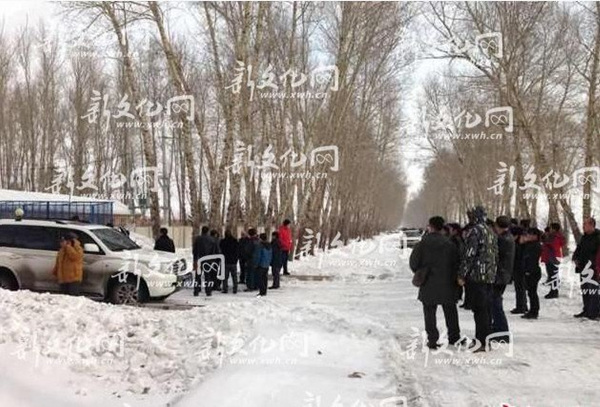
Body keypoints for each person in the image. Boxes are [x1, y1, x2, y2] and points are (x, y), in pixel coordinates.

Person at [410, 216, 461, 349]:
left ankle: (432, 339)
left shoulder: (422, 244)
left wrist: (421, 272)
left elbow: (413, 263)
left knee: (429, 312)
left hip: (428, 282)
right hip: (448, 282)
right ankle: (454, 337)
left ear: (430, 226)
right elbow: (457, 262)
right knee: (450, 311)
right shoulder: (450, 244)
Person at [458, 206, 498, 352]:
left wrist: (462, 274)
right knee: (486, 310)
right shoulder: (490, 231)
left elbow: (470, 254)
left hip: (476, 276)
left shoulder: (475, 231)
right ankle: (486, 340)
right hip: (489, 276)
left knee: (479, 310)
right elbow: (495, 254)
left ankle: (481, 342)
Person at [572, 218, 600, 319]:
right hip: (583, 268)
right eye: (583, 224)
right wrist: (575, 258)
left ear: (592, 225)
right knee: (585, 290)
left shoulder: (598, 237)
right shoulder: (584, 237)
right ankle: (586, 310)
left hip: (593, 268)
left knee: (593, 291)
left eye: (585, 224)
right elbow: (578, 249)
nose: (583, 226)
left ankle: (594, 313)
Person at [492, 216, 515, 339]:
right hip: (504, 274)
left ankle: (502, 332)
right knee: (495, 303)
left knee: (496, 304)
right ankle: (498, 328)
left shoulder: (502, 239)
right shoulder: (508, 237)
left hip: (500, 275)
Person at [520, 228, 542, 319]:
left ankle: (534, 311)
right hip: (528, 270)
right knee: (530, 292)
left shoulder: (536, 246)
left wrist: (528, 271)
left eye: (530, 234)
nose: (528, 236)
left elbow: (532, 259)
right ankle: (532, 310)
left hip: (533, 271)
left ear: (535, 236)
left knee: (532, 292)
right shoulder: (529, 244)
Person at [192, 226, 220, 297]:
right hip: (209, 260)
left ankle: (196, 291)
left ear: (202, 231)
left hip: (199, 259)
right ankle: (208, 291)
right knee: (208, 276)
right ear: (208, 231)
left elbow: (195, 250)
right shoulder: (212, 240)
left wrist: (195, 260)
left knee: (198, 276)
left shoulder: (198, 239)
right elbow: (216, 250)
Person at [542, 222, 564, 299]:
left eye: (551, 228)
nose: (550, 229)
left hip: (553, 257)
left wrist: (546, 241)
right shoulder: (552, 236)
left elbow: (553, 245)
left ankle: (554, 291)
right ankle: (553, 290)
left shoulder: (556, 236)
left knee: (553, 275)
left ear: (554, 229)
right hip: (550, 257)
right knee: (551, 274)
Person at [448, 223, 467, 308]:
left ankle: (457, 296)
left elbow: (460, 251)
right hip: (457, 262)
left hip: (457, 263)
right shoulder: (455, 239)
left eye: (451, 229)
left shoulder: (456, 240)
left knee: (457, 281)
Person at [510, 225, 528, 315]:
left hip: (520, 268)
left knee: (520, 288)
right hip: (519, 268)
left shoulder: (519, 245)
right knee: (520, 288)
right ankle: (522, 305)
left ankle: (521, 306)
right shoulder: (521, 244)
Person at [219, 230, 239, 294]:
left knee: (225, 277)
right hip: (233, 261)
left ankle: (225, 289)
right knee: (234, 276)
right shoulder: (235, 241)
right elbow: (237, 251)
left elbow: (220, 251)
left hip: (225, 261)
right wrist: (236, 259)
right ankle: (235, 288)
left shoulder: (222, 242)